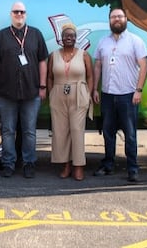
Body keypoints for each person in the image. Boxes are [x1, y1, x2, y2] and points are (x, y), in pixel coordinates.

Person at [0, 2, 48, 178]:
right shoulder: (1, 36)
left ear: (26, 14)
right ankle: (8, 164)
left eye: (22, 11)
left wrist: (43, 86)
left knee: (29, 131)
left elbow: (42, 61)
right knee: (7, 131)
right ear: (11, 14)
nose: (19, 14)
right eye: (16, 11)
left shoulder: (36, 34)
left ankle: (29, 163)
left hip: (31, 92)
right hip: (6, 93)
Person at [92, 7, 147, 182]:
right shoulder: (103, 42)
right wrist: (94, 88)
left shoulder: (135, 41)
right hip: (108, 95)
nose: (116, 19)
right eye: (113, 17)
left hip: (128, 95)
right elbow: (98, 66)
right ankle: (108, 164)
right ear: (109, 20)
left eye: (119, 16)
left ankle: (132, 168)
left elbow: (144, 66)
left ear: (126, 19)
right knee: (108, 132)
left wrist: (138, 90)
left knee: (130, 134)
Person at [47, 23, 94, 181]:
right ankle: (66, 165)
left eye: (72, 36)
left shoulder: (84, 55)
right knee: (61, 132)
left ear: (76, 38)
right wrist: (52, 92)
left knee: (76, 130)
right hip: (58, 94)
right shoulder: (54, 55)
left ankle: (78, 166)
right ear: (61, 38)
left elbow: (90, 76)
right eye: (66, 36)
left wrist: (88, 93)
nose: (69, 38)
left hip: (79, 94)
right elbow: (49, 77)